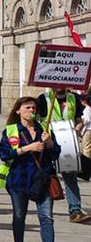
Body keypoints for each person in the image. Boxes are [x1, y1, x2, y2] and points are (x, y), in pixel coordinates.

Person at [0, 97, 69, 242]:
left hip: (42, 179)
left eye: (34, 107)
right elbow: (4, 153)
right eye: (27, 107)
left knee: (46, 218)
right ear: (19, 110)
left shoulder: (44, 129)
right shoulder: (11, 130)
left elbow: (55, 154)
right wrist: (27, 148)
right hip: (19, 179)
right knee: (19, 215)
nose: (32, 110)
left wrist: (50, 144)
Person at [36, 87, 91, 223]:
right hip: (49, 143)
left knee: (70, 177)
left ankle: (75, 210)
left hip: (67, 143)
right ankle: (45, 211)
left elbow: (79, 120)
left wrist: (76, 129)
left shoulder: (73, 98)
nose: (60, 85)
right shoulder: (44, 98)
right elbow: (36, 120)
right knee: (47, 177)